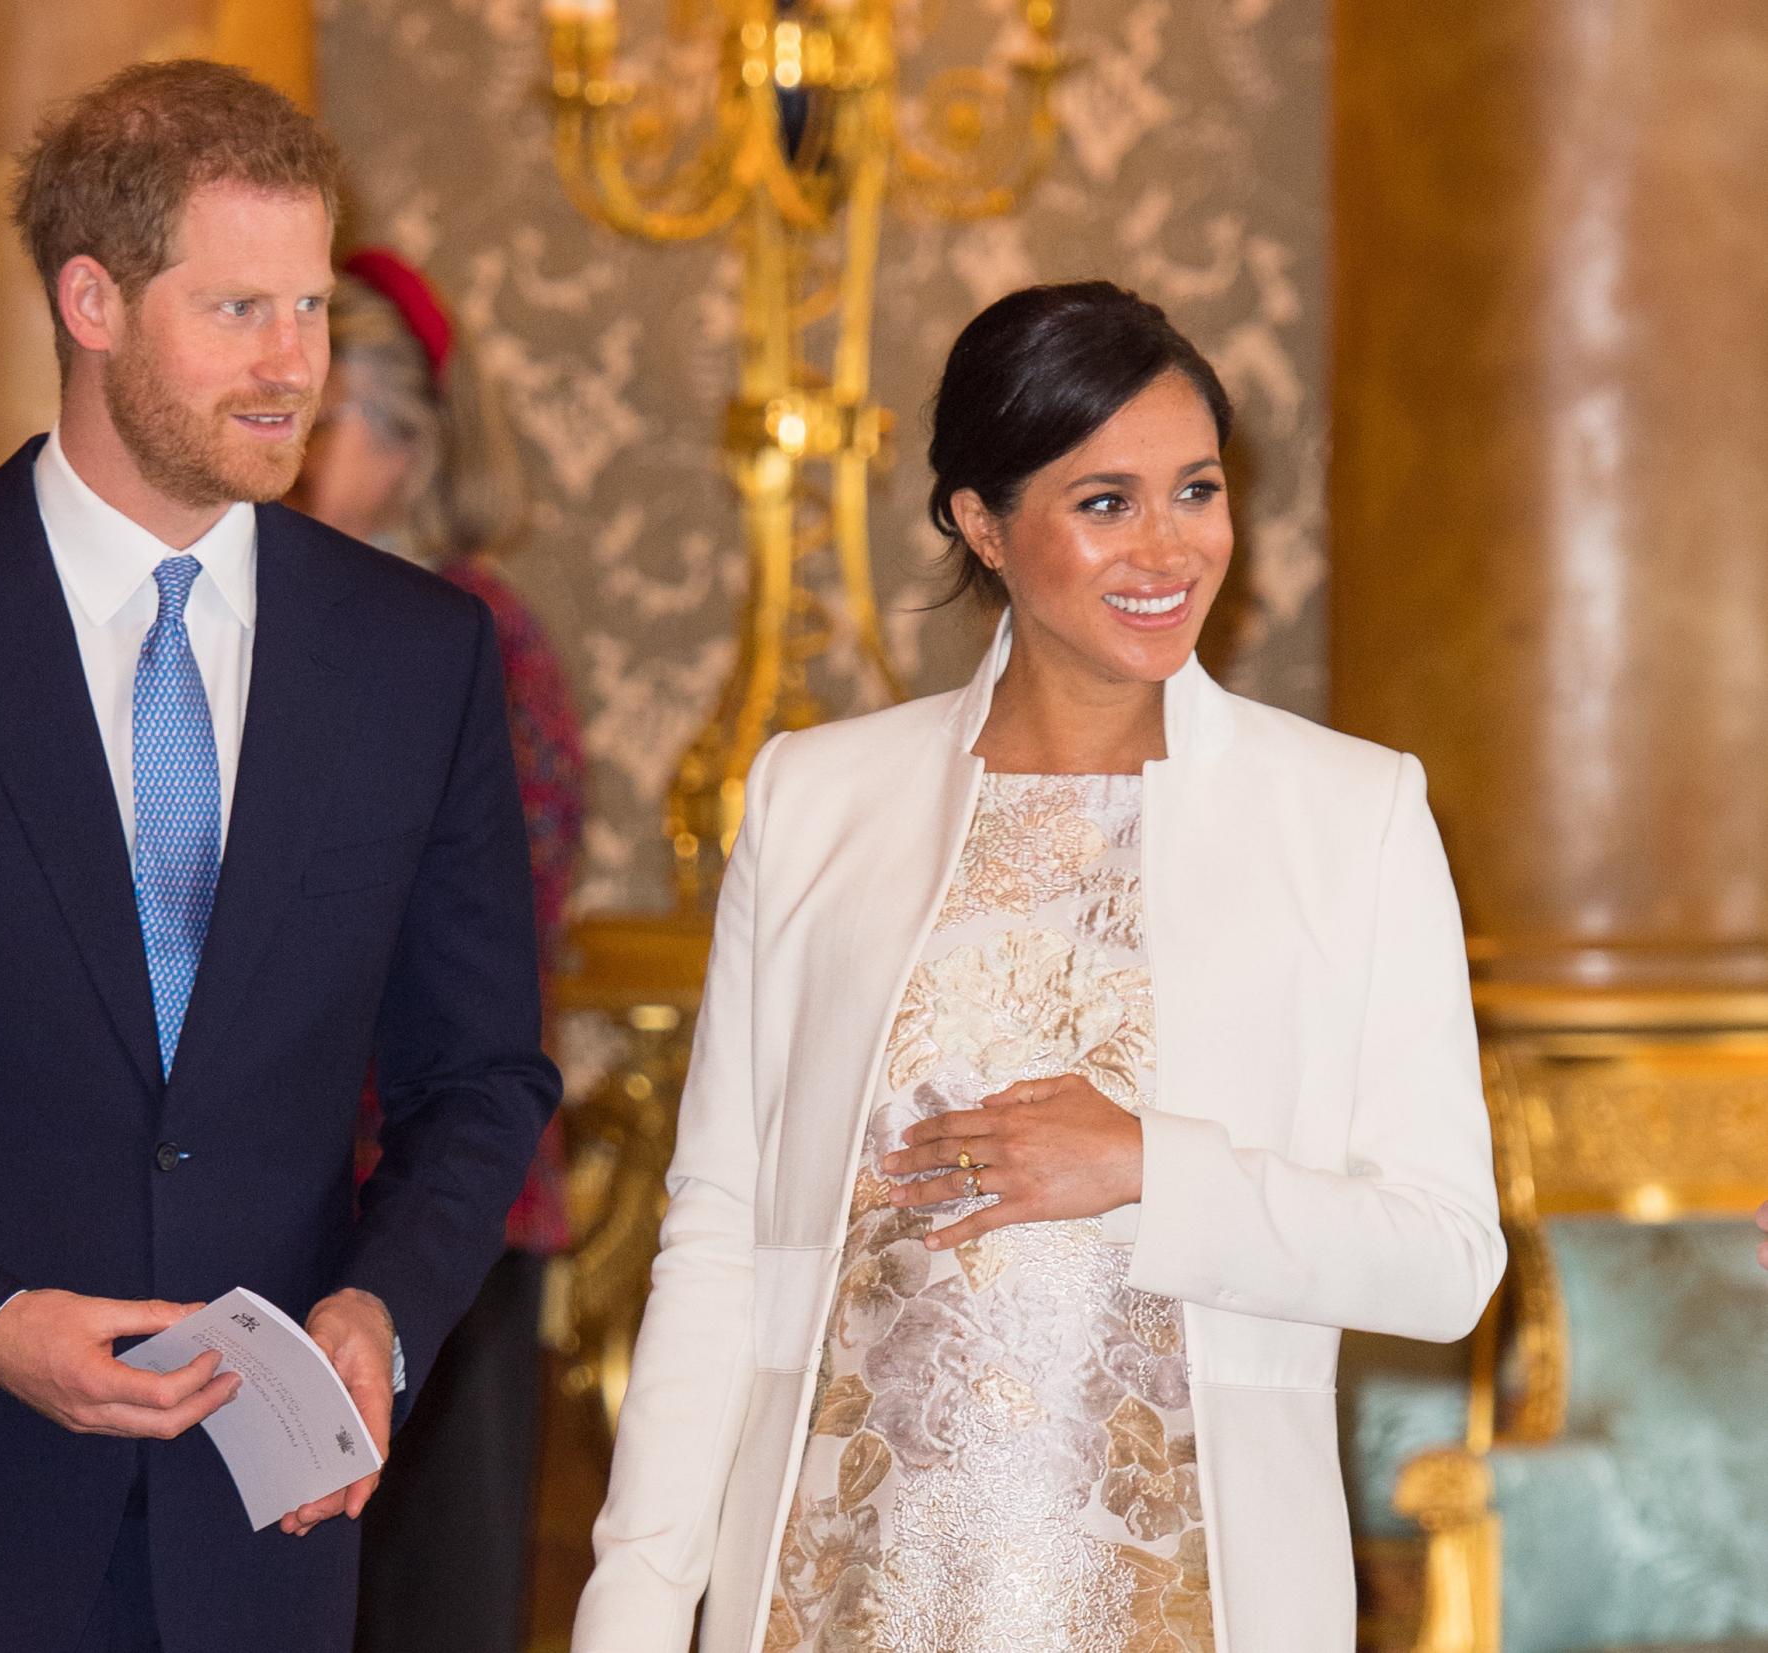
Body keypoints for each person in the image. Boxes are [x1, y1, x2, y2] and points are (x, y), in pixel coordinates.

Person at [0, 61, 558, 1653]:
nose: (295, 371)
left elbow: (480, 1075)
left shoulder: (422, 657)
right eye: (237, 312)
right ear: (93, 300)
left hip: (254, 1546)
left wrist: (380, 1310)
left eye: (310, 308)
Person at [570, 282, 1505, 1653]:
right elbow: (719, 1237)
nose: (1171, 547)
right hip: (831, 1594)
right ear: (981, 523)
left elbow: (1445, 1259)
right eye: (1105, 501)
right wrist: (636, 1606)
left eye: (1196, 488)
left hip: (1184, 1599)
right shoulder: (817, 799)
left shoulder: (1350, 817)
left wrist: (1148, 1163)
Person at [291, 251, 585, 1653]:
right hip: (270, 1212)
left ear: (412, 445)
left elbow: (493, 944)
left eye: (328, 410)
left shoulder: (478, 637)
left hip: (444, 1217)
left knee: (429, 1605)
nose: (291, 438)